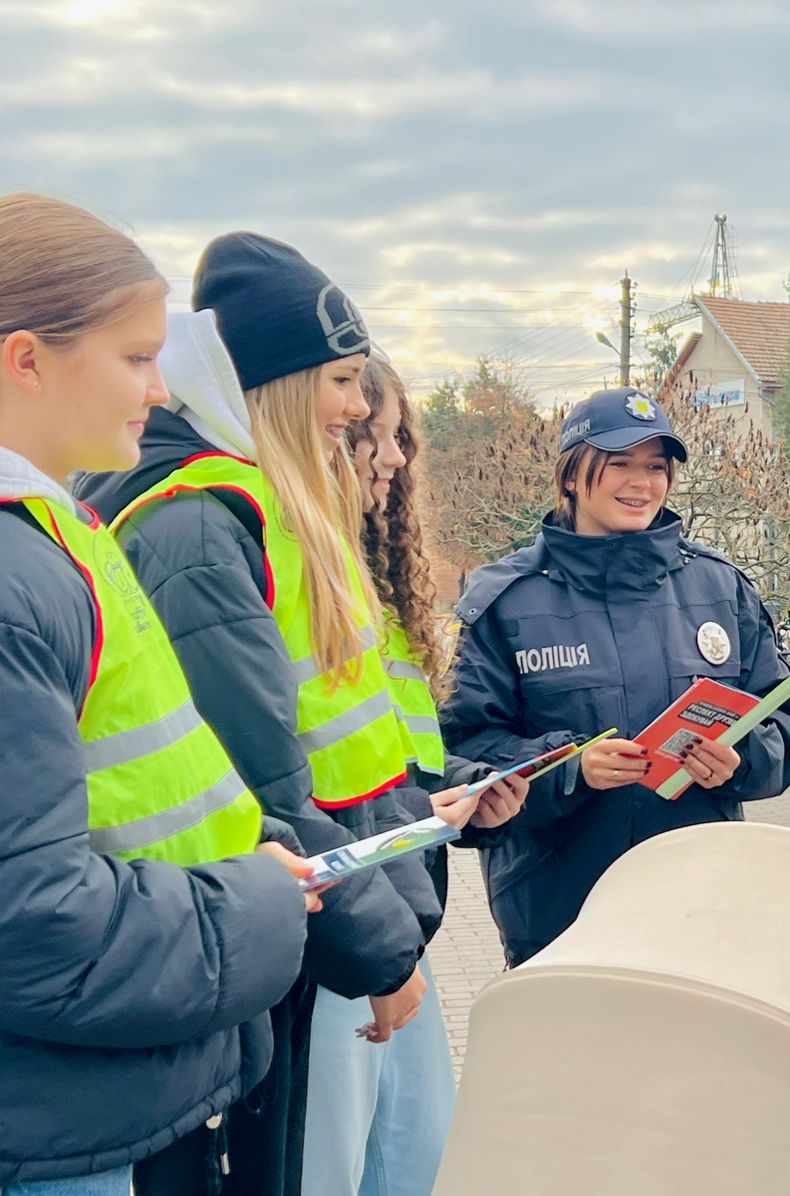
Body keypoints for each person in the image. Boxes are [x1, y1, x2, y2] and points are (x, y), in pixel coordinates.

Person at [77, 234, 432, 1196]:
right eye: (344, 381)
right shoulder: (200, 524)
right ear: (274, 383)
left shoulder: (232, 508)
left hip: (261, 927)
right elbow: (260, 783)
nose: (360, 410)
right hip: (252, 933)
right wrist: (383, 946)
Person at [0, 194, 310, 1194]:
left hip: (79, 1092)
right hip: (51, 1127)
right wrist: (260, 900)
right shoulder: (14, 573)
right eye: (135, 357)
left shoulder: (50, 534)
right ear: (27, 359)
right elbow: (34, 924)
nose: (158, 381)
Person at [443, 386, 790, 967]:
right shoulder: (505, 601)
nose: (641, 482)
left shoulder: (720, 589)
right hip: (559, 911)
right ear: (571, 476)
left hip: (700, 907)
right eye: (619, 464)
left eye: (656, 467)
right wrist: (571, 770)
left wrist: (741, 762)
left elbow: (784, 720)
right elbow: (461, 750)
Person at [297, 355, 530, 1196]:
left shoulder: (377, 597)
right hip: (340, 943)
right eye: (372, 433)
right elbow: (307, 782)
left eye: (400, 436)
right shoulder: (300, 578)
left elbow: (394, 763)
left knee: (420, 1164)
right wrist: (416, 808)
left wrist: (466, 793)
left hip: (399, 929)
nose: (394, 457)